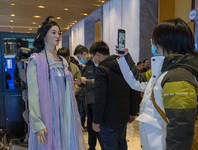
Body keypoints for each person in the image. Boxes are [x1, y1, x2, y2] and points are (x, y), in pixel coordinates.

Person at [116, 18, 198, 150]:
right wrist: (125, 57)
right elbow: (138, 80)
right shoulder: (164, 69)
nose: (154, 45)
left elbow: (180, 127)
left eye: (156, 41)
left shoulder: (179, 76)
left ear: (167, 42)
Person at [27, 16, 85, 150]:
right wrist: (38, 123)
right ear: (44, 36)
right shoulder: (37, 60)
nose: (58, 35)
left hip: (65, 114)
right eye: (53, 32)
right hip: (48, 116)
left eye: (59, 32)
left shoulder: (63, 61)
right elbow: (34, 95)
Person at [91, 41, 138, 150]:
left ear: (97, 54)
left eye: (93, 57)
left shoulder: (101, 69)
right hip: (123, 115)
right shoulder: (123, 64)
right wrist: (132, 111)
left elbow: (99, 97)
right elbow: (133, 88)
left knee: (110, 146)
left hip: (107, 119)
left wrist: (96, 120)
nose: (93, 60)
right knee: (122, 143)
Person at [74, 45, 104, 150]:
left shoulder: (96, 64)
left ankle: (103, 146)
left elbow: (99, 82)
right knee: (91, 126)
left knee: (97, 126)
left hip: (96, 100)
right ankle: (92, 147)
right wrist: (80, 82)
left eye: (79, 57)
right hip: (89, 100)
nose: (79, 59)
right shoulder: (86, 65)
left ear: (84, 53)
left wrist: (85, 81)